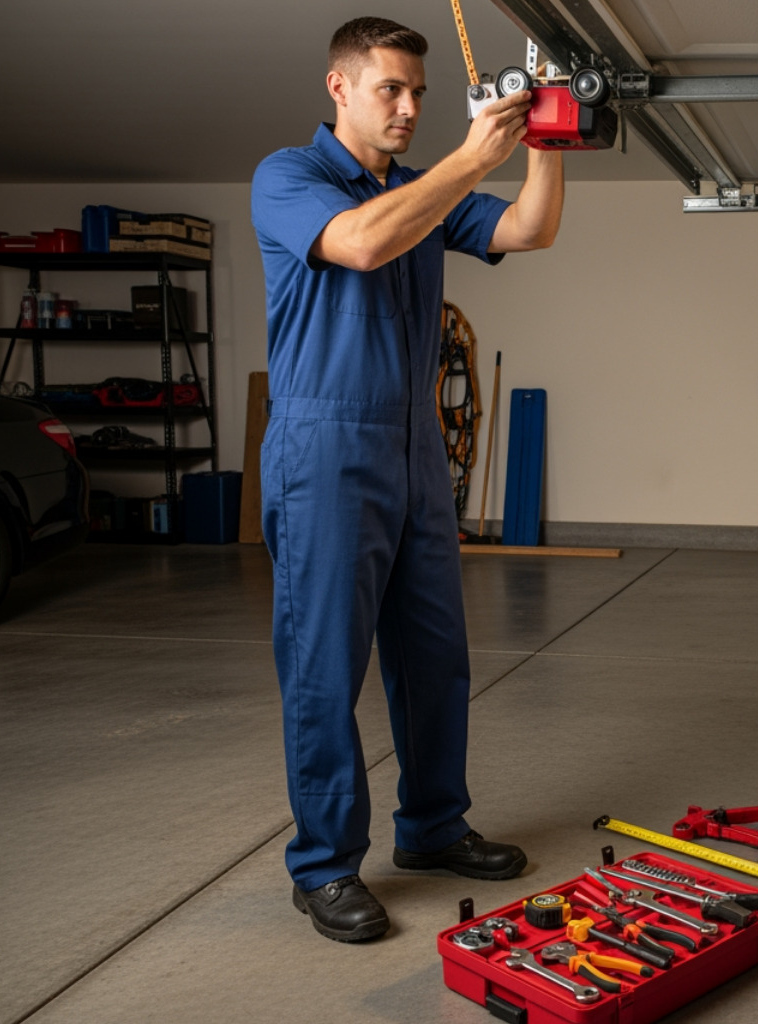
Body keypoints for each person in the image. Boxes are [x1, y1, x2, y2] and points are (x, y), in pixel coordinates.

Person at [249, 16, 563, 942]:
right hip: (323, 451)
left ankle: (431, 826)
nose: (410, 106)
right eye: (391, 88)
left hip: (415, 448)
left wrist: (546, 138)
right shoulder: (290, 178)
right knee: (325, 669)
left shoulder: (420, 190)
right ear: (339, 87)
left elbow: (529, 228)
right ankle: (322, 867)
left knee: (434, 659)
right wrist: (467, 160)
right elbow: (358, 244)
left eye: (419, 92)